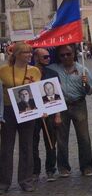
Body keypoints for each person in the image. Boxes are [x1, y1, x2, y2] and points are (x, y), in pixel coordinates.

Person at [47, 44, 92, 178]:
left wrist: (85, 84)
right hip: (60, 106)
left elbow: (90, 91)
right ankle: (63, 167)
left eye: (68, 54)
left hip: (78, 104)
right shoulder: (53, 69)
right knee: (61, 138)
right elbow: (40, 73)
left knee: (83, 137)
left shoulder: (82, 70)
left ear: (74, 54)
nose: (65, 57)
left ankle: (86, 166)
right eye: (62, 55)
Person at [0, 42, 41, 192]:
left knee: (27, 146)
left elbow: (37, 93)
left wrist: (42, 109)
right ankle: (3, 182)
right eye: (26, 53)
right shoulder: (3, 70)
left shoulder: (35, 71)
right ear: (17, 54)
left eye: (30, 52)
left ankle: (26, 180)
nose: (30, 55)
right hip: (8, 111)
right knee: (6, 148)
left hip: (27, 110)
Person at [32, 48, 61, 182]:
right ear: (36, 58)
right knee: (33, 143)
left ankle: (50, 169)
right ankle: (35, 171)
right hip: (33, 113)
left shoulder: (53, 73)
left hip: (49, 113)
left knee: (51, 142)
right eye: (45, 57)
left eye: (49, 56)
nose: (48, 59)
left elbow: (58, 97)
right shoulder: (29, 73)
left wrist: (57, 115)